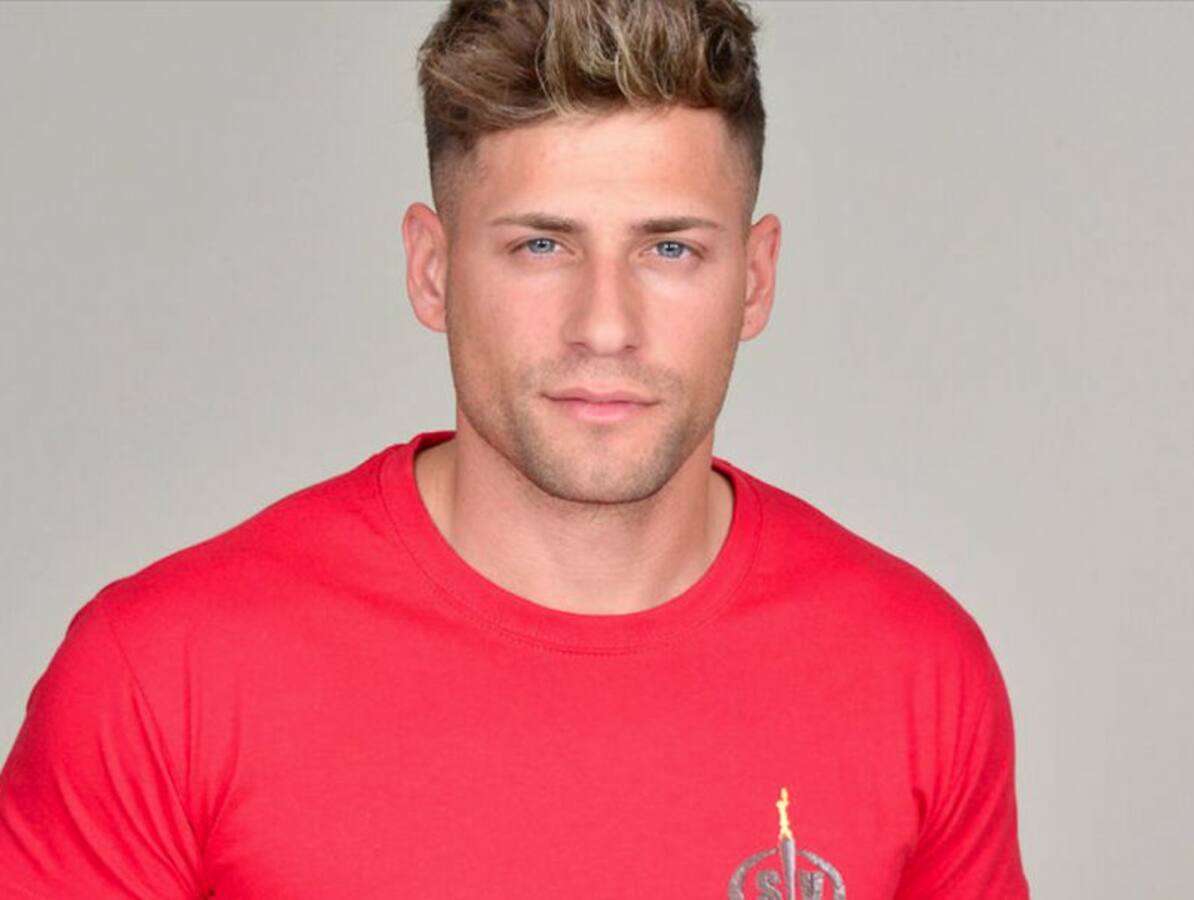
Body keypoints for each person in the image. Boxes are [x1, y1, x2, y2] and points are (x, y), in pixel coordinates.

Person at [0, 1, 1029, 897]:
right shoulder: (165, 679)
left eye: (670, 248)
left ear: (755, 280)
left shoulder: (914, 674)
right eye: (541, 245)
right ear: (432, 269)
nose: (605, 325)